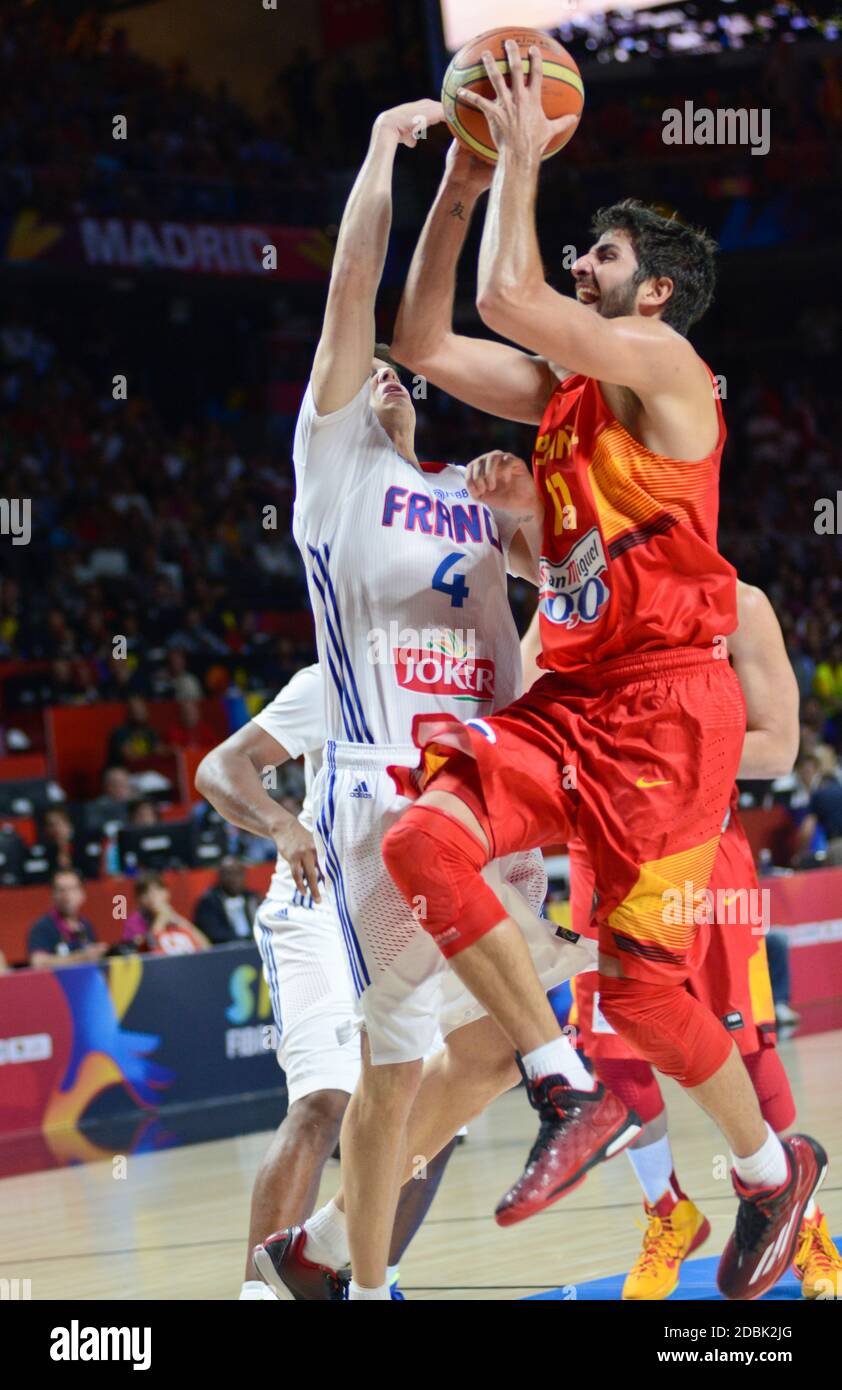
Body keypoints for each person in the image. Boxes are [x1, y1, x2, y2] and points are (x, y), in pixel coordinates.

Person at [380, 44, 825, 1299]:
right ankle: (555, 1084)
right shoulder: (562, 397)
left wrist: (520, 153)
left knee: (643, 994)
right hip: (567, 703)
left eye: (604, 257)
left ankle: (762, 1170)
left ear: (655, 296)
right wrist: (466, 182)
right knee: (422, 841)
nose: (581, 262)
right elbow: (421, 334)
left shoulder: (672, 379)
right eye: (580, 247)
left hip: (668, 720)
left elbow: (513, 299)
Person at [254, 97, 612, 1302]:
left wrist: (519, 507)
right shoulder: (332, 476)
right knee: (391, 1069)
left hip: (489, 789)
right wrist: (381, 153)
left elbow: (563, 581)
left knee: (500, 1036)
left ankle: (317, 1255)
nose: (373, 386)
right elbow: (355, 288)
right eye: (352, 384)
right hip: (381, 801)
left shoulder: (471, 482)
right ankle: (356, 1281)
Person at [526, 581, 840, 1299]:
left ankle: (806, 1225)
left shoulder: (743, 603)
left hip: (702, 843)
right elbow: (520, 709)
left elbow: (779, 748)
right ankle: (667, 1214)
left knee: (746, 1046)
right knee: (612, 1053)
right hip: (601, 852)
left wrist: (653, 767)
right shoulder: (571, 598)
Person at [196, 666, 472, 1300]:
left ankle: (367, 1278)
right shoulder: (334, 676)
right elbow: (220, 766)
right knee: (325, 1102)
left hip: (414, 903)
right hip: (316, 899)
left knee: (438, 1114)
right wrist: (282, 824)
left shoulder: (468, 671)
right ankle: (261, 1295)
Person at [28, 870, 107, 969]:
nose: (67, 896)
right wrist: (81, 957)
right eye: (61, 890)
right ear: (52, 895)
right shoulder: (42, 927)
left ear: (83, 894)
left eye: (73, 889)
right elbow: (38, 963)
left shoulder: (86, 925)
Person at [121, 872, 208, 955]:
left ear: (167, 893)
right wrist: (161, 919)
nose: (152, 896)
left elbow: (206, 947)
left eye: (157, 890)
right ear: (138, 899)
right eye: (146, 892)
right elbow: (148, 948)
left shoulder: (174, 918)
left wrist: (178, 920)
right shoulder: (134, 922)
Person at [193, 856, 261, 944]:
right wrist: (242, 941)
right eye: (229, 874)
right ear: (220, 876)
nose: (234, 879)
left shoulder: (253, 898)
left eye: (238, 873)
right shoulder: (208, 903)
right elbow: (214, 933)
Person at [106, 695, 162, 767]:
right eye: (136, 709)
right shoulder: (120, 732)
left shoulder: (150, 732)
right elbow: (130, 757)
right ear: (129, 712)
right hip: (119, 770)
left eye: (142, 708)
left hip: (143, 770)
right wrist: (152, 755)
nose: (139, 712)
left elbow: (160, 751)